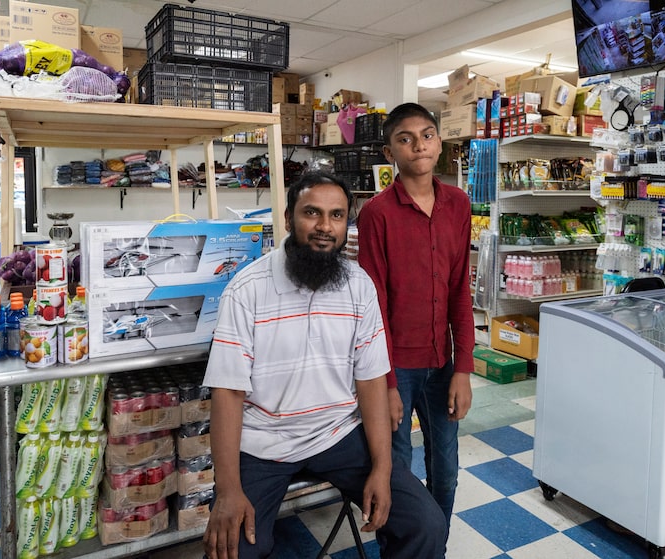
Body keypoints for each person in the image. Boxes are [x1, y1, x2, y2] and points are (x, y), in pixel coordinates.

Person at [201, 171, 446, 559]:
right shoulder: (246, 291)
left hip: (338, 435)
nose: (324, 227)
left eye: (336, 216)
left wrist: (382, 468)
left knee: (425, 525)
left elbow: (370, 383)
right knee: (236, 549)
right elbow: (228, 392)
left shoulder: (358, 285)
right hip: (264, 442)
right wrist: (228, 490)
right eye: (311, 213)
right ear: (287, 218)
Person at [357, 103, 474, 531]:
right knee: (397, 468)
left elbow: (461, 289)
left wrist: (463, 368)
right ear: (390, 152)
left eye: (427, 135)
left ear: (439, 143)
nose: (418, 145)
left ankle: (435, 543)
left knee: (445, 465)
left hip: (442, 362)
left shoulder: (459, 205)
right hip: (397, 367)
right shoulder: (377, 214)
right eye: (405, 139)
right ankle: (401, 547)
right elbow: (375, 309)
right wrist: (386, 384)